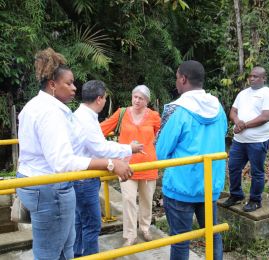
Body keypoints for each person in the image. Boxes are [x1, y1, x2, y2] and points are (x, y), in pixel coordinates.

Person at [16, 48, 132, 260]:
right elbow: (62, 161)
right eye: (68, 83)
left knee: (62, 246)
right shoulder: (50, 113)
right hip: (49, 188)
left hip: (35, 182)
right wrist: (110, 164)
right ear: (52, 85)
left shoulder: (34, 106)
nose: (74, 88)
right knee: (53, 252)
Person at [156, 60, 228, 260]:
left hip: (180, 187)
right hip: (209, 185)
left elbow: (161, 152)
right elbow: (223, 133)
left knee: (180, 240)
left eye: (177, 77)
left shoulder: (176, 110)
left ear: (183, 79)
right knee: (212, 236)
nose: (176, 82)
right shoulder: (218, 107)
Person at [73, 80, 143, 257]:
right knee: (91, 224)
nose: (137, 101)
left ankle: (77, 254)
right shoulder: (88, 119)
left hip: (82, 176)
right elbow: (100, 148)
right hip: (84, 179)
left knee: (80, 221)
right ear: (99, 99)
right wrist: (128, 148)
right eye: (104, 98)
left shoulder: (83, 115)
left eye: (141, 98)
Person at [101, 85, 161, 246]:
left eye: (141, 98)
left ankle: (145, 228)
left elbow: (160, 134)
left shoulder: (154, 116)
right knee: (127, 199)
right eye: (135, 96)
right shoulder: (122, 113)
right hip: (126, 165)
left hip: (148, 164)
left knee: (147, 199)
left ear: (147, 101)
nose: (137, 100)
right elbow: (102, 129)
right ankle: (129, 234)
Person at [223, 66, 269, 212]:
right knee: (233, 167)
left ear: (263, 78)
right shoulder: (243, 94)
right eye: (250, 76)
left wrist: (244, 125)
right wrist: (237, 121)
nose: (252, 79)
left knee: (257, 171)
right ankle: (236, 195)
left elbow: (265, 117)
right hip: (239, 141)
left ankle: (255, 200)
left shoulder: (268, 94)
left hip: (258, 141)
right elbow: (233, 111)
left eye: (256, 76)